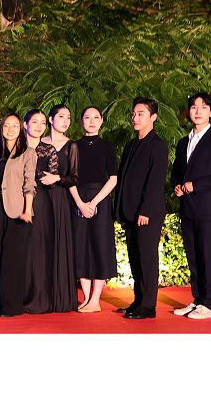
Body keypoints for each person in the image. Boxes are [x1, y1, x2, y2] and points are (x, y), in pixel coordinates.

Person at [171, 92, 211, 319]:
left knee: (208, 257)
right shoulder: (183, 142)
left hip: (209, 210)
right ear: (189, 111)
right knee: (194, 257)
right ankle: (198, 300)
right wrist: (178, 185)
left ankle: (208, 304)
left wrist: (196, 185)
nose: (198, 111)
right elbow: (177, 171)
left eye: (203, 107)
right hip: (188, 208)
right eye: (194, 107)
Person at [114, 97, 169, 320]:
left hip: (148, 212)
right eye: (134, 114)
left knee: (147, 258)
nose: (135, 118)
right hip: (130, 210)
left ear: (153, 117)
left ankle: (148, 305)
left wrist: (146, 210)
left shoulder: (158, 145)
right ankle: (138, 300)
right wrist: (119, 209)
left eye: (140, 114)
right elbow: (125, 179)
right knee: (134, 258)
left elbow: (156, 181)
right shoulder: (131, 144)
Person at [26, 105, 79, 314]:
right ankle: (37, 294)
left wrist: (58, 178)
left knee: (57, 245)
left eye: (68, 118)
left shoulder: (71, 145)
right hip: (36, 198)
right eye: (61, 116)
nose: (65, 121)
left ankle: (59, 298)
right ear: (50, 119)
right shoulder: (38, 142)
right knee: (37, 248)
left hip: (59, 200)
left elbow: (75, 178)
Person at [71, 107, 119, 313]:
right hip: (78, 198)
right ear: (81, 121)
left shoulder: (108, 146)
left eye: (95, 117)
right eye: (87, 117)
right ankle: (86, 297)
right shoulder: (73, 146)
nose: (91, 121)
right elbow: (69, 177)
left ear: (101, 121)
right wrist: (81, 203)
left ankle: (95, 299)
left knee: (101, 245)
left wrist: (94, 202)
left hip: (101, 198)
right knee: (80, 245)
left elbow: (113, 178)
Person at [0, 113, 36, 317]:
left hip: (18, 210)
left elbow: (30, 183)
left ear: (21, 128)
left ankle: (12, 305)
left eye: (15, 126)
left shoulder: (28, 152)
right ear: (1, 129)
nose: (10, 129)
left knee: (13, 259)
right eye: (6, 126)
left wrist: (27, 210)